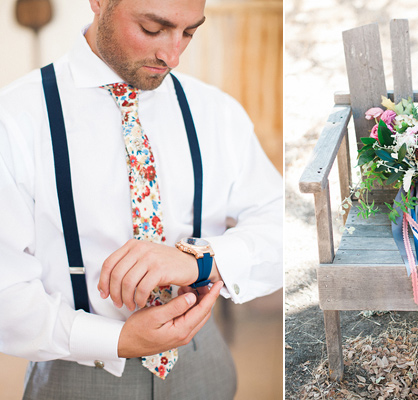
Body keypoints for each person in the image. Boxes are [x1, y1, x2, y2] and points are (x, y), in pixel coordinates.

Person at [0, 0, 283, 398]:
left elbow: (283, 226)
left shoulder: (217, 112)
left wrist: (202, 261)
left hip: (204, 365)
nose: (172, 55)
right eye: (152, 29)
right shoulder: (13, 119)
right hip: (76, 372)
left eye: (189, 33)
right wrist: (114, 340)